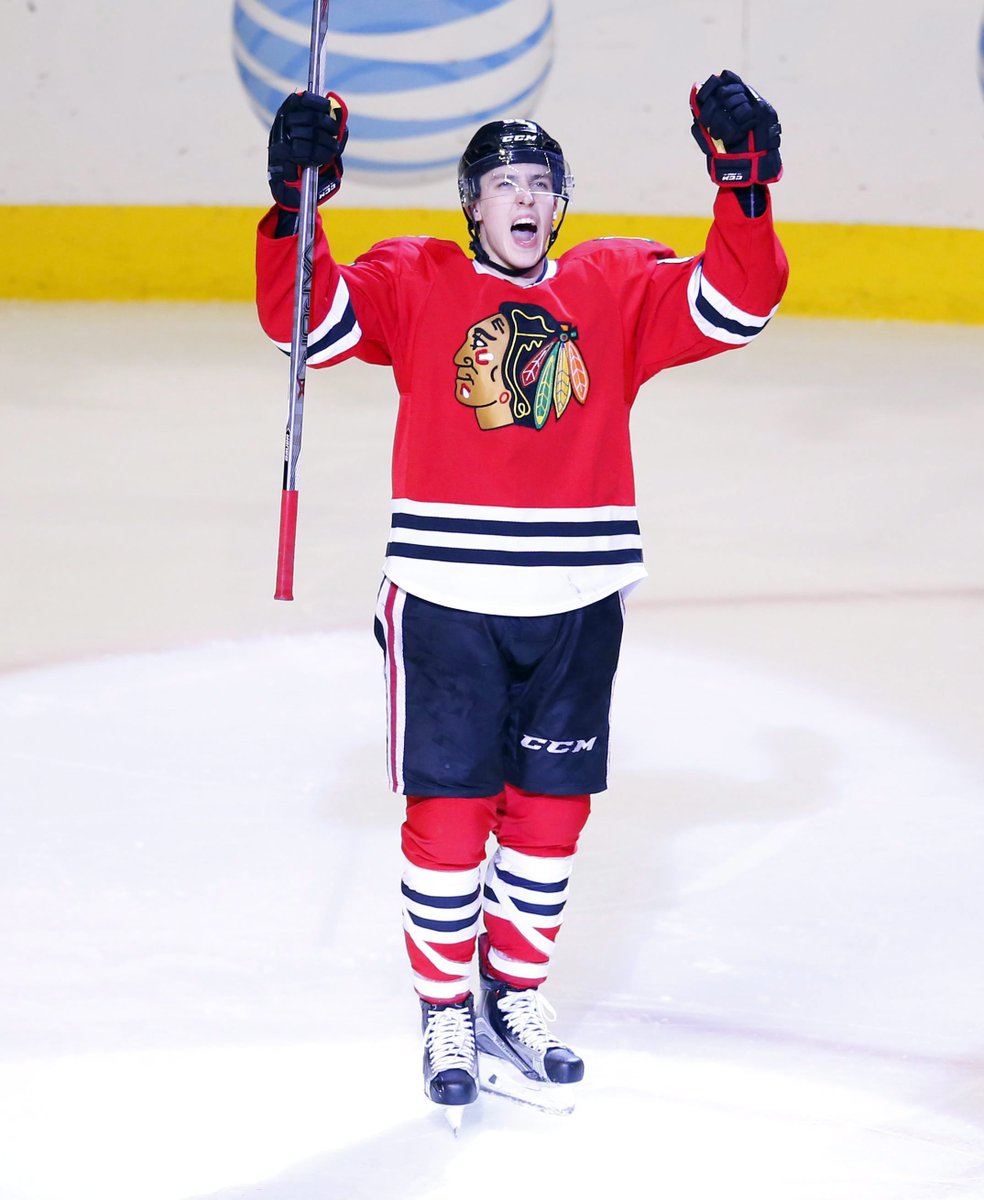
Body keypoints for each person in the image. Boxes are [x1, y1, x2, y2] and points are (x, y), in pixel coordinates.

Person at [255, 71, 788, 1118]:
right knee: (451, 819)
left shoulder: (615, 286)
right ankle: (445, 1006)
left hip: (579, 594)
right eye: (504, 183)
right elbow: (303, 327)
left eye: (541, 183)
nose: (525, 198)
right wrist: (293, 207)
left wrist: (745, 184)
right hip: (445, 594)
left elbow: (738, 303)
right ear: (473, 204)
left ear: (562, 202)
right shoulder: (418, 279)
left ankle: (516, 992)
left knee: (549, 817)